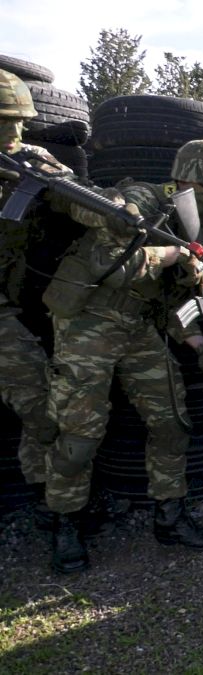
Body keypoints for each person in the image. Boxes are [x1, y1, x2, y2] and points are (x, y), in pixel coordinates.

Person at [43, 139, 203, 574]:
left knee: (172, 422)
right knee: (79, 436)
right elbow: (113, 267)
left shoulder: (197, 225)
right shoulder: (141, 203)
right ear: (201, 179)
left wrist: (200, 347)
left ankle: (169, 518)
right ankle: (65, 526)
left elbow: (174, 303)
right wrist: (176, 254)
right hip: (88, 324)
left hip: (139, 327)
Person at [0, 68, 69, 503]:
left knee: (42, 405)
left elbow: (77, 195)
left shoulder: (30, 158)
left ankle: (50, 501)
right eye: (3, 121)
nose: (14, 130)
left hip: (8, 306)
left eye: (20, 120)